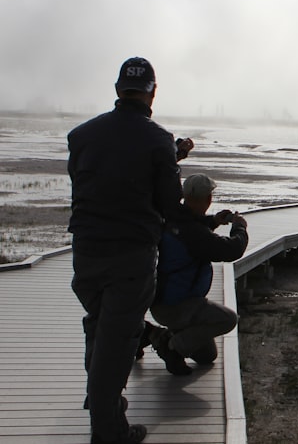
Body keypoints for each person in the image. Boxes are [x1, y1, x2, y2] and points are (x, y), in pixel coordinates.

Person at [68, 56, 195, 444]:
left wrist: (169, 157)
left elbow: (98, 178)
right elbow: (170, 205)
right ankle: (108, 431)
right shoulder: (156, 139)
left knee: (100, 323)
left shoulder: (82, 135)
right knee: (117, 339)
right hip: (131, 254)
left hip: (86, 251)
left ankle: (100, 399)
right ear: (152, 91)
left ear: (117, 89)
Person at [148, 174, 248, 376]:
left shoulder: (173, 216)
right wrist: (240, 228)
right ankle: (171, 346)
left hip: (163, 302)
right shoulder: (194, 234)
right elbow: (231, 250)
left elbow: (190, 232)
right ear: (208, 198)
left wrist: (212, 221)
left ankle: (155, 335)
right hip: (178, 306)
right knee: (228, 319)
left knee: (206, 356)